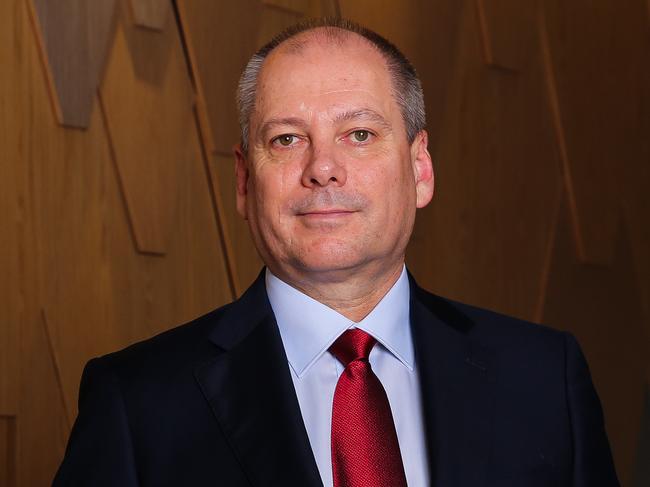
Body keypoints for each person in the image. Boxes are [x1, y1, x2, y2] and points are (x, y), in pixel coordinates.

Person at [53, 18, 618, 487]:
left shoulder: (545, 380)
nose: (322, 167)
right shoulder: (137, 405)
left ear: (420, 169)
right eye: (287, 139)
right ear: (245, 182)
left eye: (360, 134)